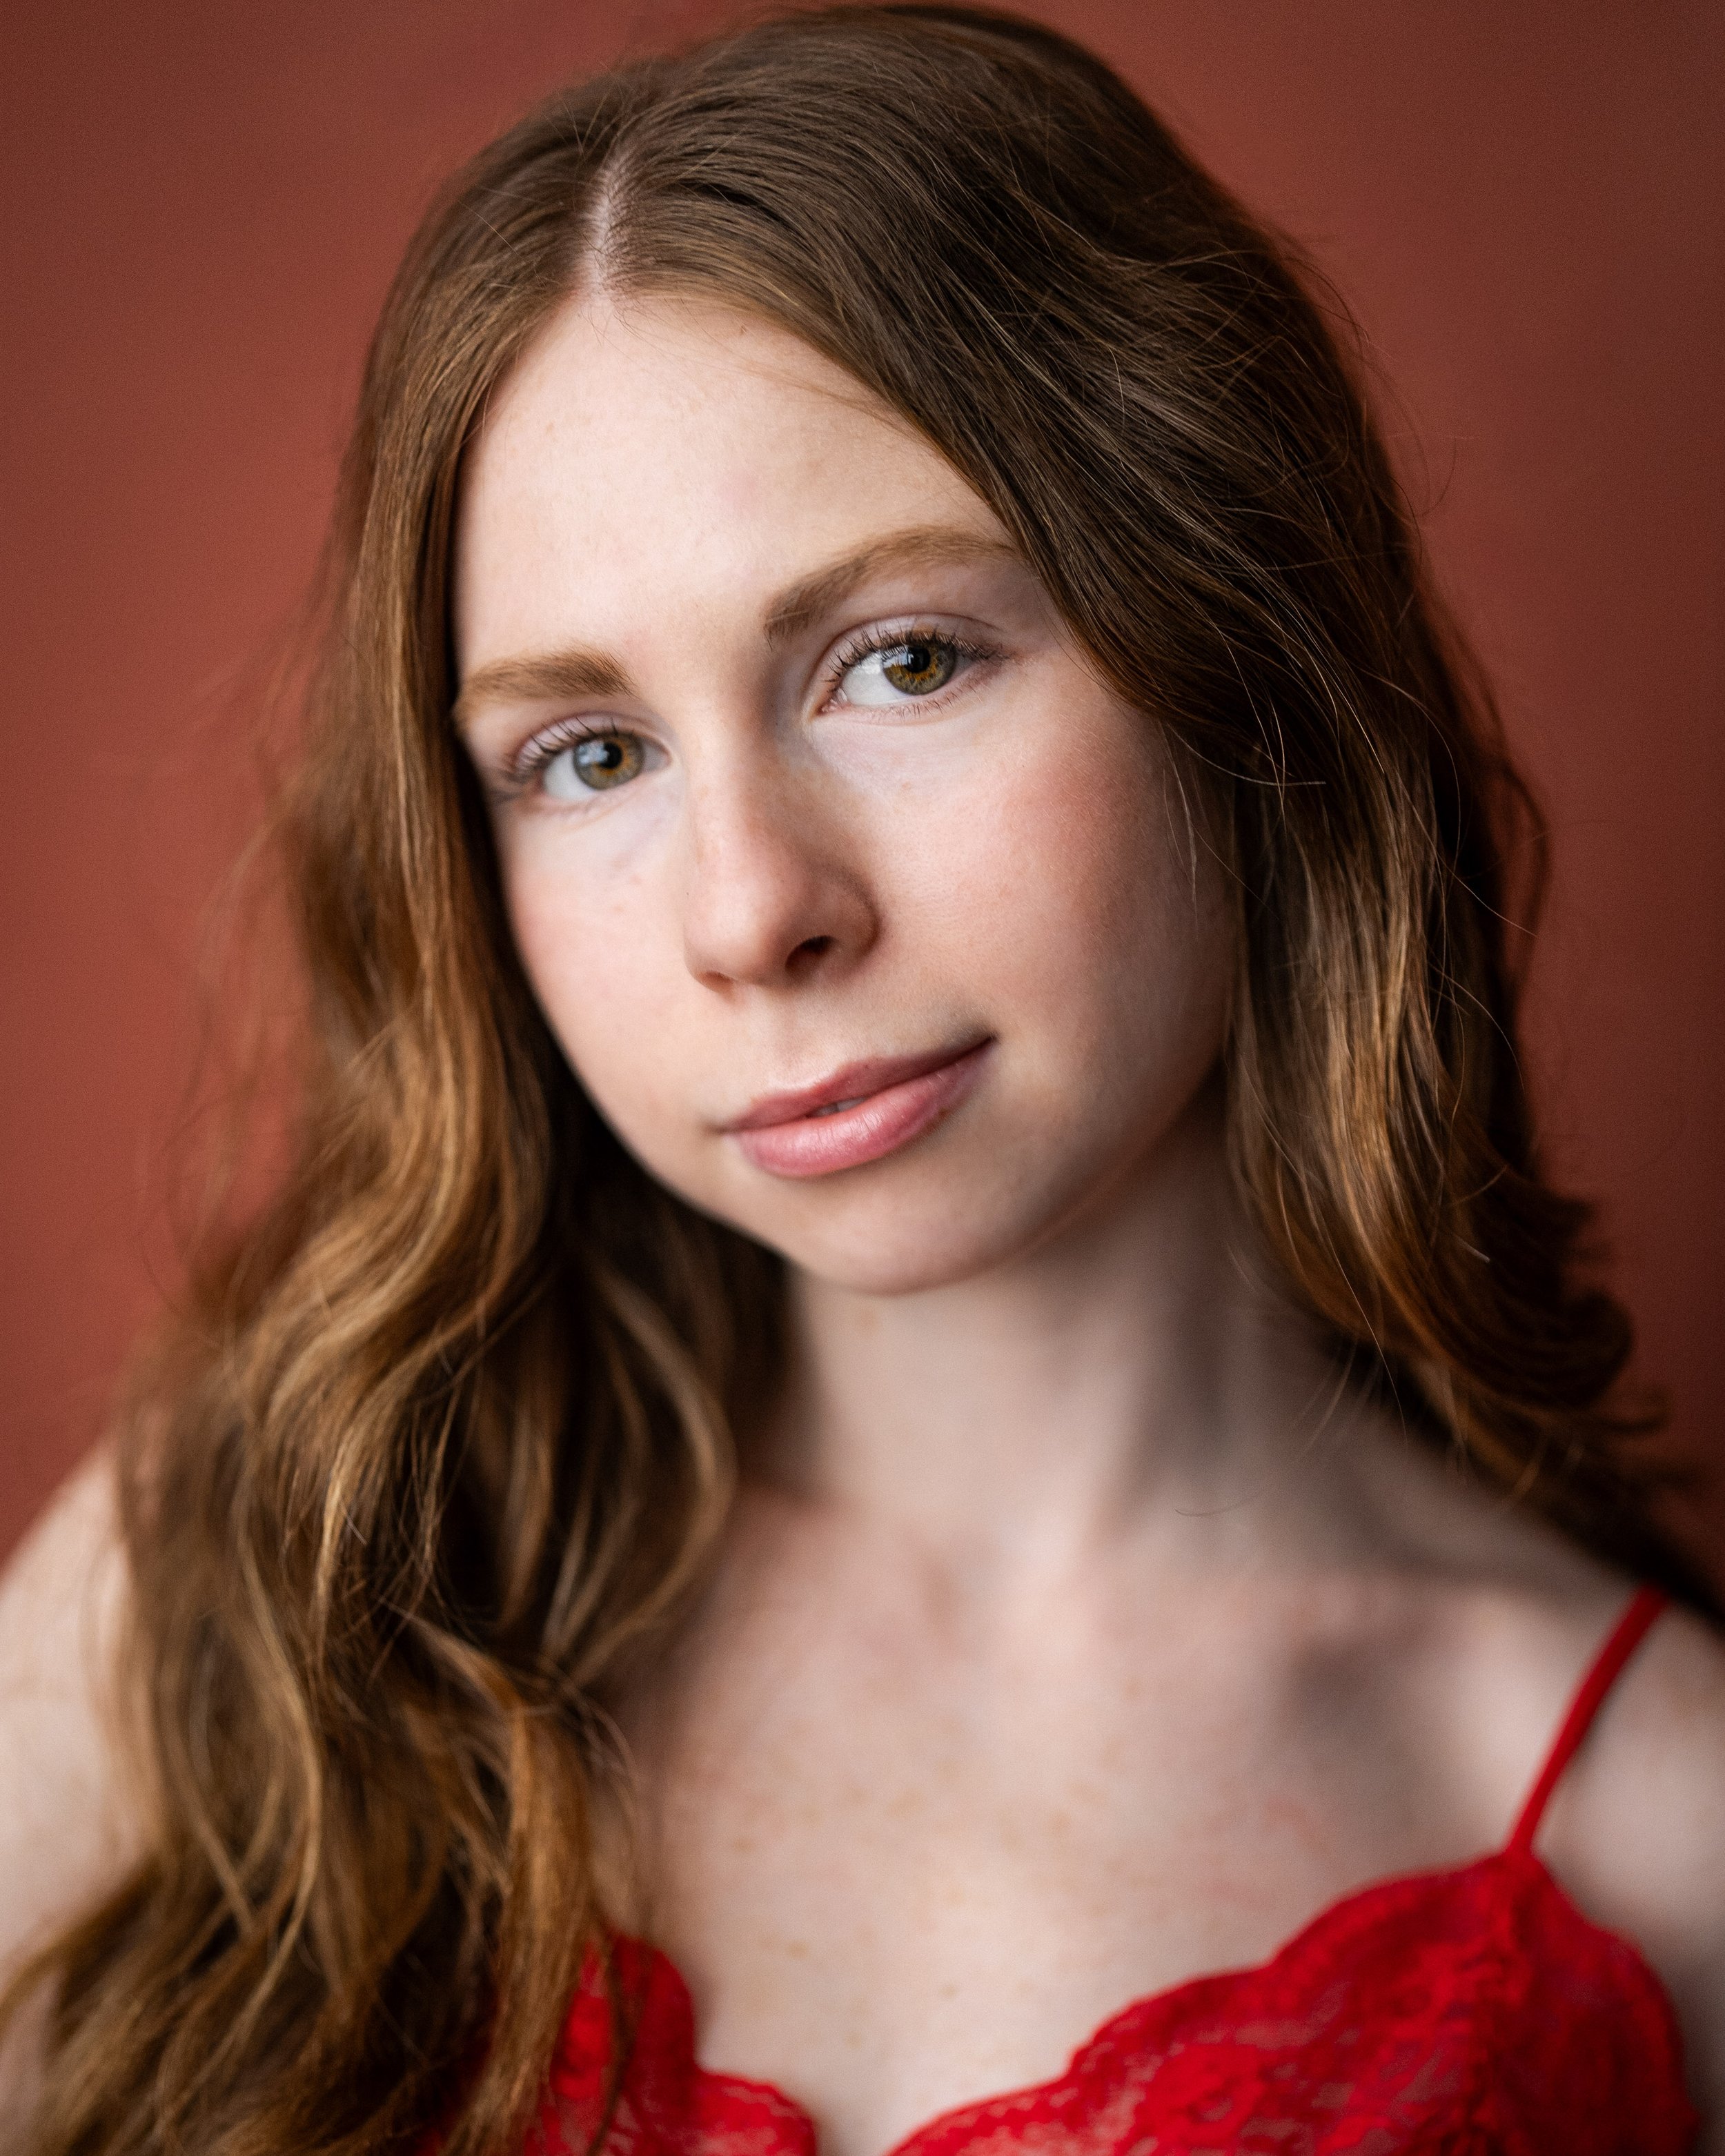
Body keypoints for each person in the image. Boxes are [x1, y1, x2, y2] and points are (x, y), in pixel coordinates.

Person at [1, 6, 1722, 2152]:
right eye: (588, 754)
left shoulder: (1663, 1843)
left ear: (1239, 642)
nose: (748, 909)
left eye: (900, 660)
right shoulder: (264, 1569)